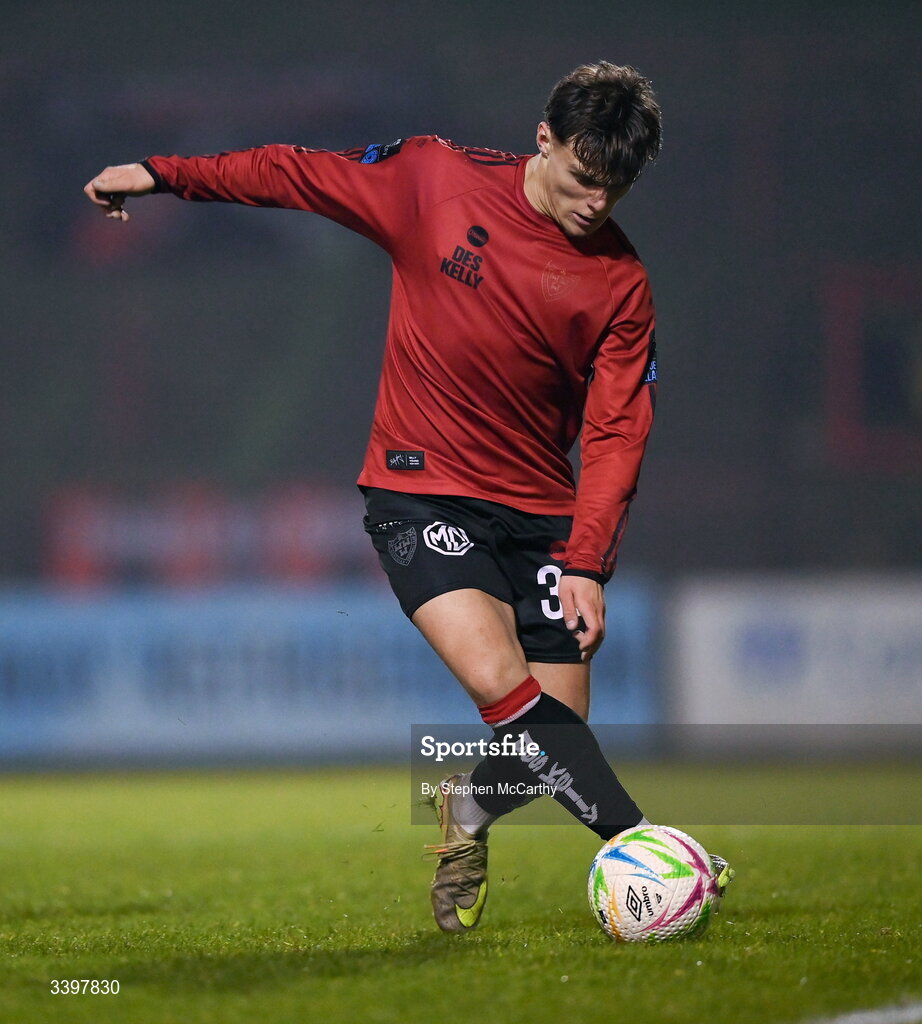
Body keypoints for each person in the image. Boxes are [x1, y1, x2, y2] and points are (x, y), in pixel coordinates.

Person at [85, 61, 732, 933]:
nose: (595, 203)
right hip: (420, 491)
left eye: (615, 188)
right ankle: (650, 847)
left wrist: (586, 562)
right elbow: (294, 174)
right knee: (507, 691)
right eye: (584, 179)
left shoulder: (622, 284)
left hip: (542, 512)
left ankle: (464, 813)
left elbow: (619, 431)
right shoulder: (434, 181)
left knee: (544, 750)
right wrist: (164, 174)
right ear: (543, 138)